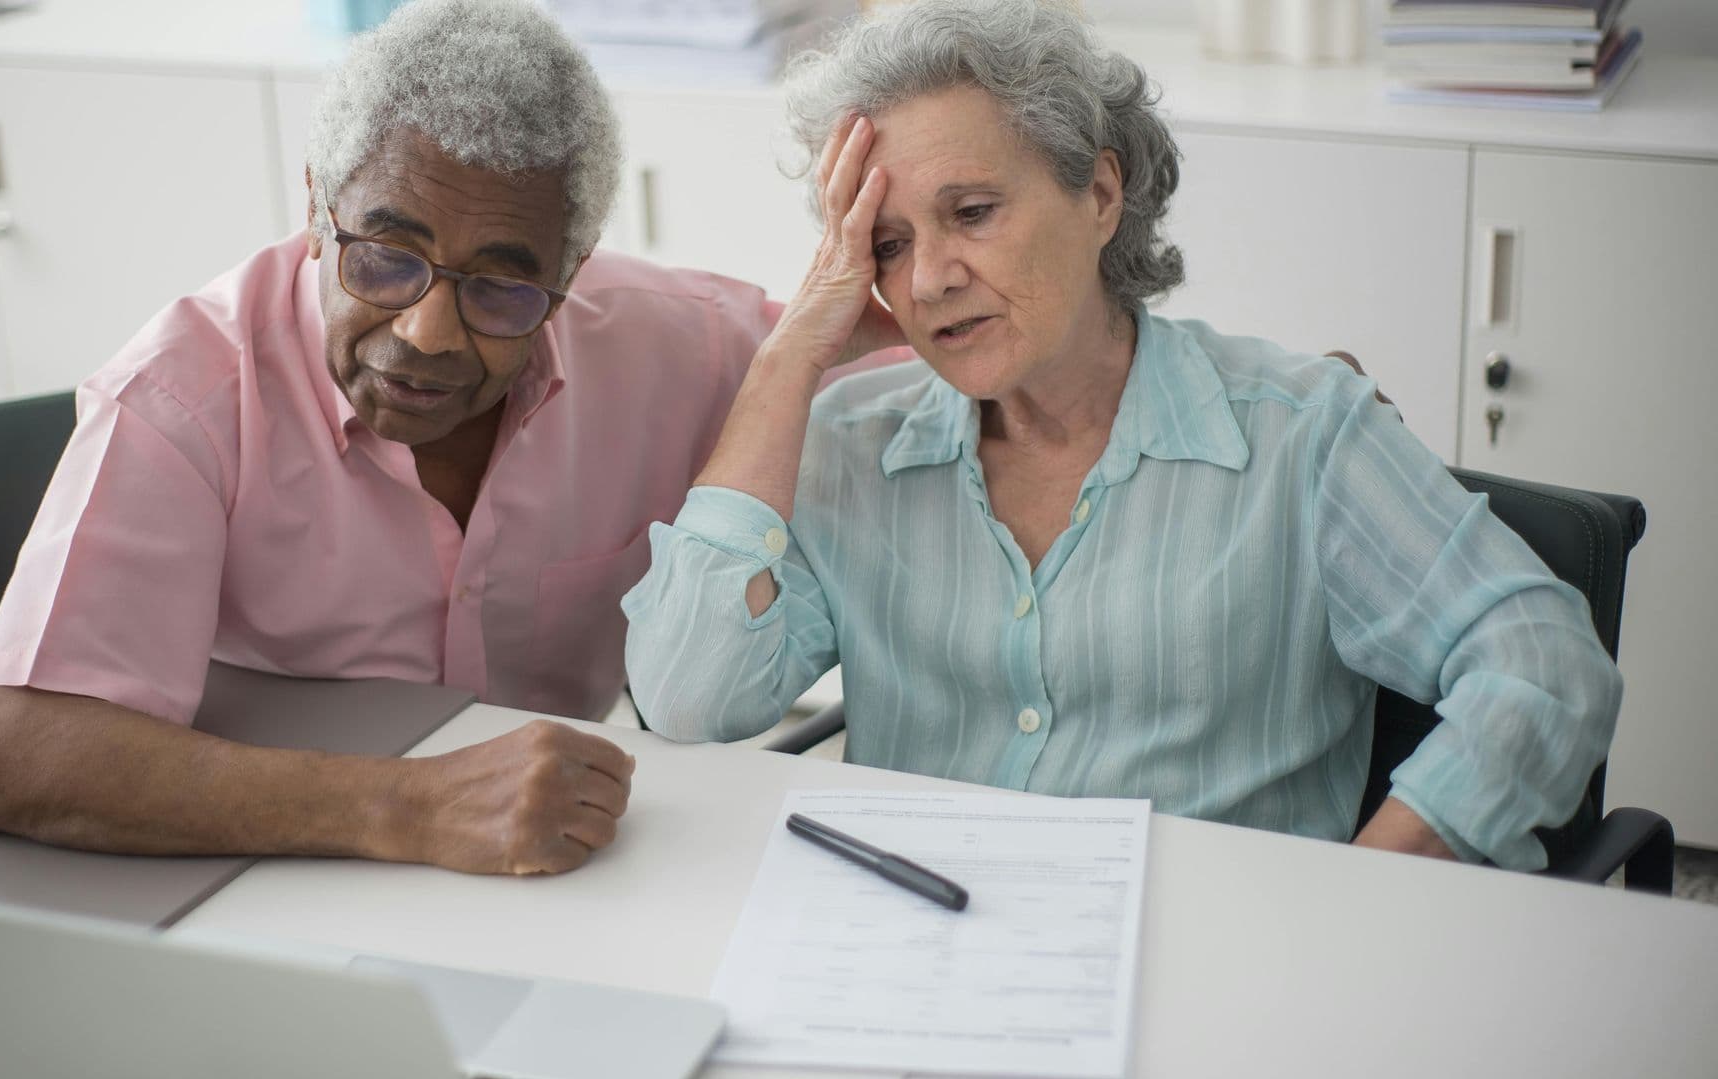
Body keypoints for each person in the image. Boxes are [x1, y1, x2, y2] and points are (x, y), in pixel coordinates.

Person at [622, 0, 1620, 870]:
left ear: (1100, 195)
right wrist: (791, 354)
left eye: (971, 213)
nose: (926, 280)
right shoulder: (847, 443)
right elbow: (686, 699)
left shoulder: (1300, 436)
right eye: (884, 245)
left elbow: (1541, 664)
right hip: (919, 954)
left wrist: (1368, 887)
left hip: (1216, 973)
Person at [0, 0, 782, 876]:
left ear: (571, 274)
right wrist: (411, 807)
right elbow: (16, 756)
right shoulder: (181, 396)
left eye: (501, 286)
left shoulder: (667, 340)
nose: (428, 333)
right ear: (317, 205)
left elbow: (883, 344)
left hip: (556, 871)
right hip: (254, 875)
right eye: (385, 256)